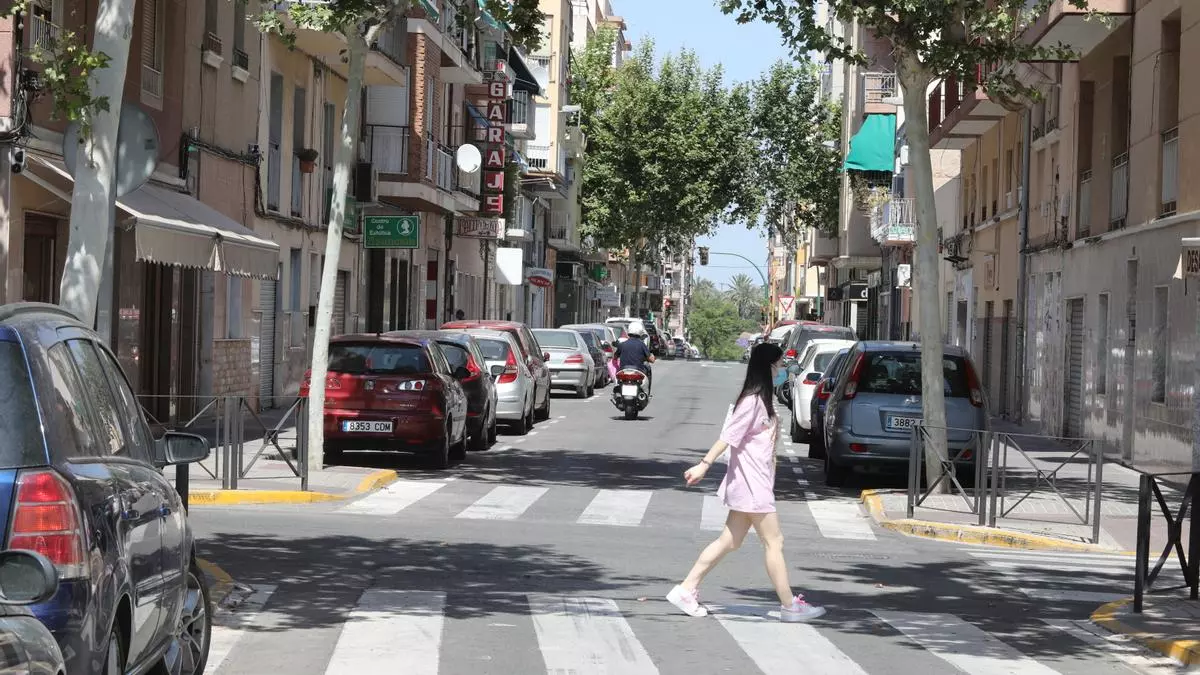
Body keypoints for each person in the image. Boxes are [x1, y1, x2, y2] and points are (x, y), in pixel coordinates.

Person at [666, 342, 826, 623]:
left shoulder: (762, 400)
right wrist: (704, 464)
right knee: (774, 541)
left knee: (729, 541)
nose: (782, 370)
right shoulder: (752, 401)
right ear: (768, 366)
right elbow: (728, 436)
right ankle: (790, 605)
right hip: (752, 484)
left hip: (754, 482)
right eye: (779, 365)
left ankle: (686, 589)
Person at [615, 326, 655, 393]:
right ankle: (647, 392)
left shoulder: (622, 344)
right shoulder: (642, 345)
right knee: (648, 367)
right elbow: (652, 360)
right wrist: (651, 355)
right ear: (640, 333)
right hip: (638, 371)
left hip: (623, 371)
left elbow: (615, 357)